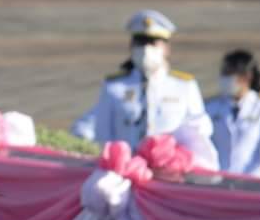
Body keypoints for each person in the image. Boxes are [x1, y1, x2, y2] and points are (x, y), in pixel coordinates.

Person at [70, 10, 215, 160]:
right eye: (140, 43)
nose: (146, 49)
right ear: (131, 47)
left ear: (166, 48)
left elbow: (200, 132)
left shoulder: (184, 86)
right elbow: (103, 136)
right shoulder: (114, 86)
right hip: (126, 171)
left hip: (169, 171)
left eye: (153, 43)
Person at [205, 50, 260, 178]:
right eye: (223, 73)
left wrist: (249, 181)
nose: (224, 78)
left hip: (253, 185)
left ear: (246, 76)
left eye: (229, 73)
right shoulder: (210, 107)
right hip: (218, 183)